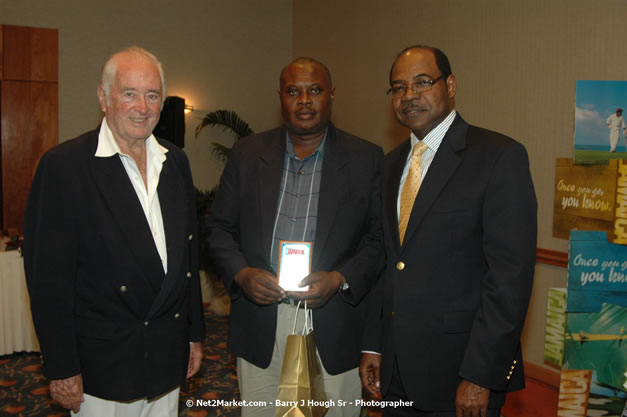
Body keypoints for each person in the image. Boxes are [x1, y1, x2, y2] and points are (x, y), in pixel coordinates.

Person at [23, 46, 205, 417]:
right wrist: (61, 367)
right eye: (129, 93)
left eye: (152, 95)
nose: (143, 106)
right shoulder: (65, 167)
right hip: (102, 365)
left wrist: (193, 334)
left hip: (166, 353)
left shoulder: (176, 162)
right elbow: (48, 281)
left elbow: (188, 259)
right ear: (103, 97)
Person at [360, 45, 537, 417]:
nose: (409, 95)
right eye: (398, 87)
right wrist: (374, 345)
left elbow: (510, 279)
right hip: (395, 374)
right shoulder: (391, 166)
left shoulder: (498, 157)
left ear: (451, 85)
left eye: (422, 82)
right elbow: (388, 264)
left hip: (460, 377)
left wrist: (481, 375)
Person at [207, 57, 384, 417]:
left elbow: (379, 239)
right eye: (294, 91)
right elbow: (218, 227)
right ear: (281, 98)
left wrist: (340, 278)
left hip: (333, 319)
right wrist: (242, 274)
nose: (305, 100)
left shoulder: (366, 158)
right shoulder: (248, 154)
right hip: (262, 318)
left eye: (315, 90)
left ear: (331, 95)